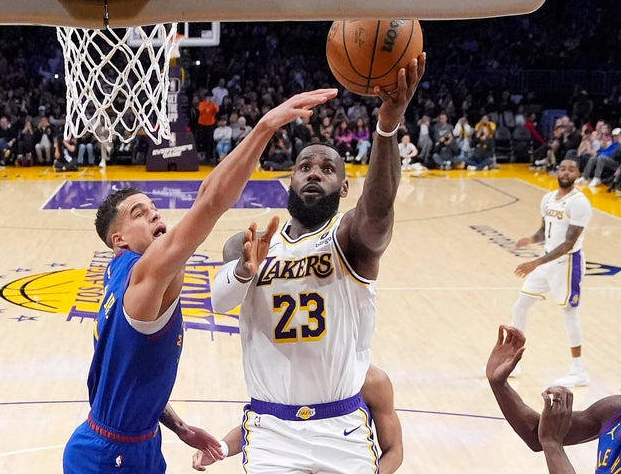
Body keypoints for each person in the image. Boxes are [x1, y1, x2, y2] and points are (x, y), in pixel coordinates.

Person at [62, 88, 340, 474]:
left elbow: (128, 377)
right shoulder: (146, 274)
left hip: (138, 441)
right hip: (110, 456)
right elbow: (209, 200)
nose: (156, 216)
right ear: (119, 240)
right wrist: (265, 126)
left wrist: (178, 426)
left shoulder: (118, 269)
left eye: (154, 209)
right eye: (140, 213)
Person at [209, 54, 424, 473]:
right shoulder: (247, 243)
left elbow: (378, 209)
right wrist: (244, 271)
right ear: (289, 179)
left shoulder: (351, 239)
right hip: (270, 428)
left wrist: (387, 127)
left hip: (340, 428)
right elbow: (217, 303)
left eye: (327, 169)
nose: (313, 173)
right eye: (304, 166)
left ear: (344, 187)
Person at [191, 365, 403, 473]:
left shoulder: (373, 380)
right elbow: (267, 423)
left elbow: (394, 450)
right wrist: (222, 448)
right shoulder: (286, 377)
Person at [486, 325, 621, 474]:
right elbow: (537, 436)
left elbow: (549, 438)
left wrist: (553, 445)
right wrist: (500, 385)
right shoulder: (613, 409)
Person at [509, 157, 592, 387]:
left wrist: (536, 262)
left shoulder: (580, 203)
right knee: (521, 306)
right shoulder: (548, 199)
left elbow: (568, 243)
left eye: (571, 169)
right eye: (563, 168)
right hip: (546, 261)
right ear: (557, 171)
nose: (566, 172)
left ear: (578, 174)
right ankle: (514, 361)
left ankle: (579, 371)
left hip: (567, 263)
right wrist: (531, 239)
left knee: (569, 313)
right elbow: (544, 231)